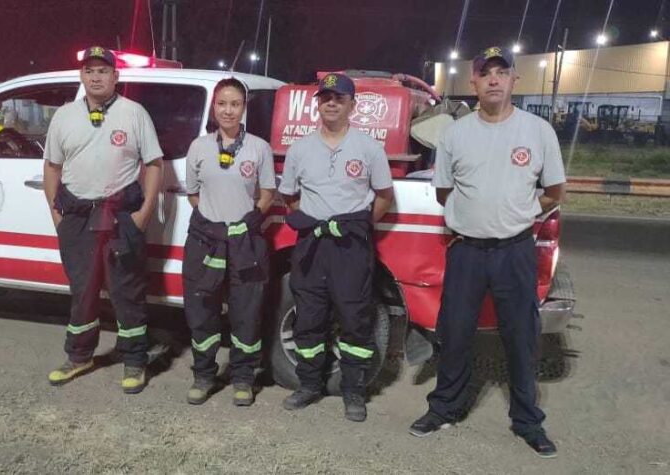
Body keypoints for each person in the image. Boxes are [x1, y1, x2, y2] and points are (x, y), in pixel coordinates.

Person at [408, 46, 566, 458]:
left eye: (502, 71)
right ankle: (444, 408)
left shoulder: (538, 131)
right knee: (455, 333)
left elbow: (554, 192)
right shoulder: (455, 134)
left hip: (515, 252)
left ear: (515, 79)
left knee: (522, 337)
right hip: (467, 252)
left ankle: (528, 421)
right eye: (485, 73)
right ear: (473, 82)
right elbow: (444, 191)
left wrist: (521, 212)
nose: (494, 79)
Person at [43, 46, 163, 394]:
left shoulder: (133, 113)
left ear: (116, 77)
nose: (96, 77)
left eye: (103, 71)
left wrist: (143, 215)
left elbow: (154, 165)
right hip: (77, 218)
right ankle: (79, 356)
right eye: (90, 71)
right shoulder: (64, 116)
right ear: (82, 76)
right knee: (82, 291)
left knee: (127, 292)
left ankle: (135, 362)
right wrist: (57, 215)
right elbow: (52, 167)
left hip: (120, 218)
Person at [278, 73, 394, 422]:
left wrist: (356, 226)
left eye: (339, 97)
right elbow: (288, 196)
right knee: (308, 319)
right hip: (312, 246)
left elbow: (384, 196)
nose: (331, 102)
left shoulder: (369, 149)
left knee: (355, 320)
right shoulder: (300, 149)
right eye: (325, 97)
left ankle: (354, 393)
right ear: (317, 104)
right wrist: (315, 219)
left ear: (351, 105)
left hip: (350, 249)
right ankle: (309, 386)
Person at [182, 78, 276, 406]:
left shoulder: (259, 148)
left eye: (235, 104)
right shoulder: (199, 147)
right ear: (214, 107)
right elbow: (193, 192)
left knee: (246, 312)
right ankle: (204, 375)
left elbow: (267, 193)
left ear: (244, 108)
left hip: (245, 244)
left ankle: (242, 378)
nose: (228, 110)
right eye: (222, 103)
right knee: (202, 309)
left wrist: (252, 217)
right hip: (206, 242)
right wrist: (213, 223)